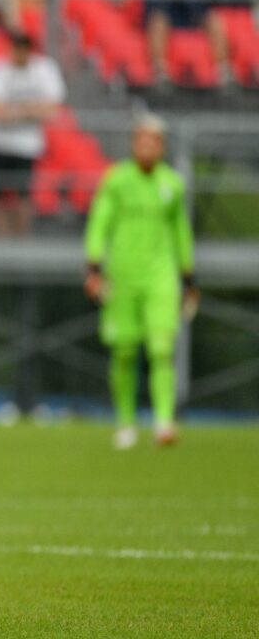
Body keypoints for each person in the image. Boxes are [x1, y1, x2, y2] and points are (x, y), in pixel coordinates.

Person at [83, 114, 197, 450]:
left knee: (162, 348)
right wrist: (93, 267)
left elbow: (181, 232)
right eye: (142, 140)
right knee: (124, 350)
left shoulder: (172, 185)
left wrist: (188, 276)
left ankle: (164, 420)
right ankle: (126, 422)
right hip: (122, 276)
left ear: (161, 146)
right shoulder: (117, 181)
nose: (148, 146)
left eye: (154, 141)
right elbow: (99, 222)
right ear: (134, 144)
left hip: (161, 277)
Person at [0, 31, 64, 237]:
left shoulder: (44, 69)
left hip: (26, 145)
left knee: (23, 194)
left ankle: (21, 238)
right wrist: (31, 110)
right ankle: (2, 238)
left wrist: (14, 111)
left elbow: (52, 110)